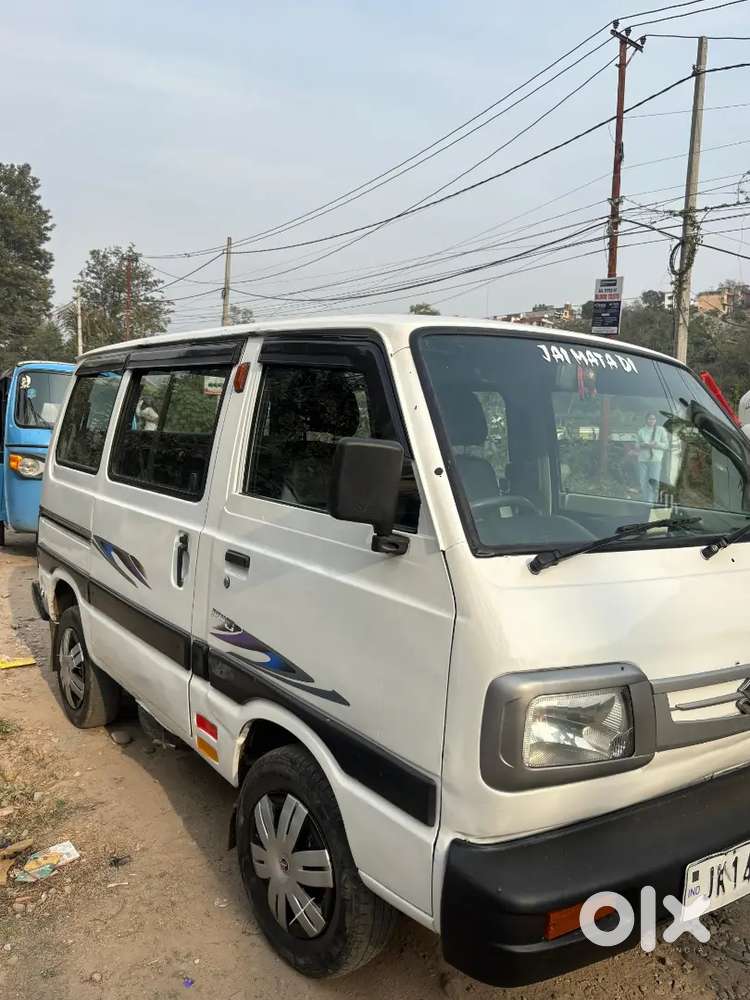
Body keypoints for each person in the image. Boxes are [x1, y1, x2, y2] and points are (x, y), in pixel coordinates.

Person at [637, 412, 669, 503]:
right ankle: (645, 499)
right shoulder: (641, 431)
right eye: (649, 419)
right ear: (646, 420)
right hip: (642, 460)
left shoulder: (661, 430)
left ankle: (651, 500)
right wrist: (643, 445)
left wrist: (656, 444)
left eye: (653, 419)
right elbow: (636, 445)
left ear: (656, 420)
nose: (651, 421)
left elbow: (666, 446)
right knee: (642, 480)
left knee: (653, 481)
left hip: (655, 460)